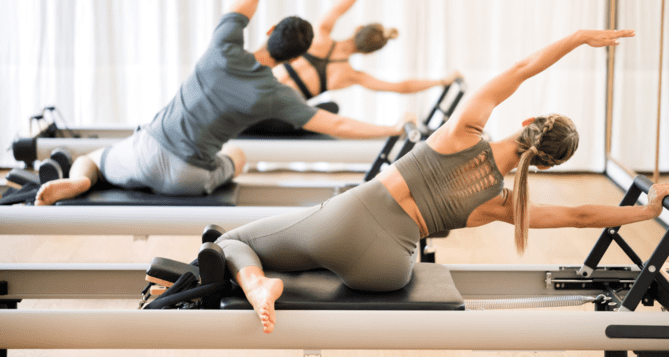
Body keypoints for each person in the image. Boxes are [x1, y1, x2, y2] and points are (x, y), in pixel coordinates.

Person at [208, 28, 669, 334]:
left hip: (345, 221)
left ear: (530, 120)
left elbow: (523, 68)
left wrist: (580, 38)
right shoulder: (503, 203)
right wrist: (647, 211)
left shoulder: (464, 129)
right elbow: (580, 216)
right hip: (386, 272)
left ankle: (257, 283)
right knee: (316, 257)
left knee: (232, 242)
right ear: (545, 166)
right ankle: (286, 268)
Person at [34, 0, 413, 206]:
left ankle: (80, 181)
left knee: (93, 158)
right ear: (295, 59)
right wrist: (393, 128)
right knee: (240, 155)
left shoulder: (223, 45)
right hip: (190, 178)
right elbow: (337, 125)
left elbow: (244, 5)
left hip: (144, 150)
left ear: (267, 32)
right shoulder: (276, 94)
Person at [244, 0, 462, 135]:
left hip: (249, 96)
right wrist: (442, 80)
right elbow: (401, 87)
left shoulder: (319, 33)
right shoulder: (350, 75)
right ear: (369, 52)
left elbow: (341, 5)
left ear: (358, 28)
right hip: (272, 119)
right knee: (331, 108)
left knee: (327, 108)